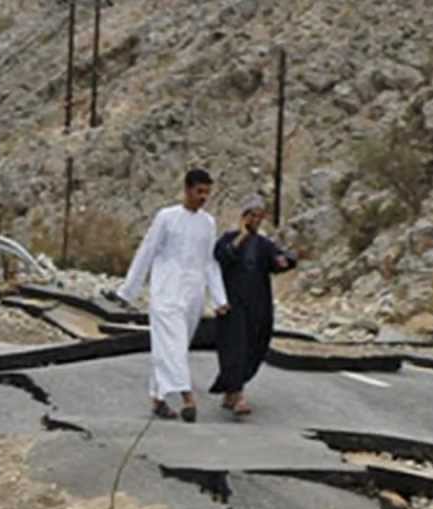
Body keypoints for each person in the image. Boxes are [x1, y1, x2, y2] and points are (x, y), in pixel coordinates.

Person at [117, 168, 228, 423]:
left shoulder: (208, 223)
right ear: (187, 189)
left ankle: (158, 400)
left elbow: (209, 262)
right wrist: (128, 290)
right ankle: (188, 398)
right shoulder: (166, 217)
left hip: (193, 296)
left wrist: (219, 298)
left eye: (207, 193)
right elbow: (147, 251)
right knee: (174, 346)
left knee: (171, 347)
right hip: (166, 293)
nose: (203, 197)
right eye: (199, 191)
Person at [209, 194, 298, 417]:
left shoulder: (264, 244)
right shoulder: (229, 239)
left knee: (254, 348)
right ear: (244, 216)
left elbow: (280, 261)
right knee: (234, 349)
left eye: (260, 216)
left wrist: (286, 260)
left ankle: (231, 391)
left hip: (258, 306)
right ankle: (238, 395)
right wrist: (242, 235)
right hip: (232, 307)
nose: (256, 220)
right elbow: (221, 257)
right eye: (252, 215)